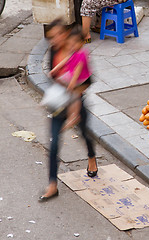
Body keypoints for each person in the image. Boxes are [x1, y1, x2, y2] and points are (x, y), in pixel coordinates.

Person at [39, 19, 98, 202]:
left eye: (56, 35)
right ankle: (52, 185)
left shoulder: (78, 51)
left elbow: (88, 80)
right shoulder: (55, 52)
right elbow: (53, 75)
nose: (53, 40)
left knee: (84, 133)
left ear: (65, 34)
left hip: (76, 99)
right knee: (54, 142)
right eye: (50, 37)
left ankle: (91, 157)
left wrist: (73, 91)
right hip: (59, 103)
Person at [49, 26, 92, 131]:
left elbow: (78, 70)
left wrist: (72, 84)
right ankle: (56, 101)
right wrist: (56, 68)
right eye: (70, 43)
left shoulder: (82, 54)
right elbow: (67, 60)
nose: (72, 46)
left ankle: (74, 116)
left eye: (74, 43)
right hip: (72, 74)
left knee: (75, 97)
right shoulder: (74, 51)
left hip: (81, 79)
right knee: (60, 82)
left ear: (82, 43)